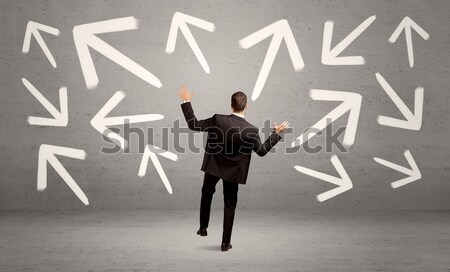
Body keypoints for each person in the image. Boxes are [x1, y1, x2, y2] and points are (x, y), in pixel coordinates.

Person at [178, 85, 289, 251]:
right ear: (246, 106)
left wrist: (186, 101)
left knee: (207, 192)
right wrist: (276, 133)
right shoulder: (251, 130)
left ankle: (203, 228)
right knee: (229, 204)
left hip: (213, 167)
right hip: (233, 172)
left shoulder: (218, 119)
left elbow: (193, 124)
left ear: (231, 105)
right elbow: (262, 151)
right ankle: (225, 243)